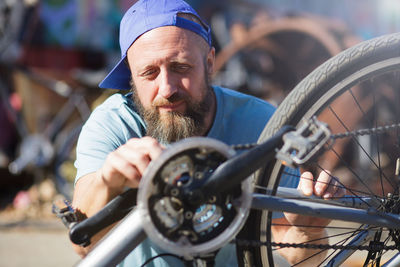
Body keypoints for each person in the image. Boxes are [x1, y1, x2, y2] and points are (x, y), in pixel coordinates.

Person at [71, 0, 344, 266]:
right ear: (131, 75)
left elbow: (304, 259)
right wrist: (108, 183)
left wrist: (307, 232)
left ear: (210, 63)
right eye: (149, 73)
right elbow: (83, 247)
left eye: (181, 68)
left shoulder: (260, 122)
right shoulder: (112, 125)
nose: (167, 89)